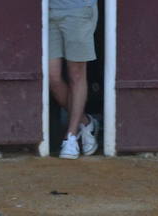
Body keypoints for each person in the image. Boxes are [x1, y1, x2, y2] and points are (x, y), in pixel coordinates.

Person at [47, 0, 99, 159]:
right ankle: (85, 121)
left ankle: (70, 135)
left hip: (79, 9)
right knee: (52, 77)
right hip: (48, 10)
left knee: (76, 74)